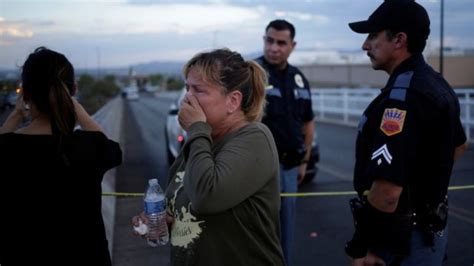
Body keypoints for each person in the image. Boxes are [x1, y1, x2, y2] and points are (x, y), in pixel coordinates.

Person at [132, 48, 285, 266]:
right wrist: (161, 219)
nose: (187, 98)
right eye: (187, 88)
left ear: (233, 101)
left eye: (199, 90)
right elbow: (184, 204)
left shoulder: (254, 138)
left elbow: (207, 196)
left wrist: (196, 128)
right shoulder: (200, 141)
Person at [345, 1, 468, 265]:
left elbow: (388, 191)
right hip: (429, 233)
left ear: (399, 40)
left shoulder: (403, 98)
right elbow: (458, 145)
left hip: (401, 243)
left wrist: (362, 246)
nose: (365, 45)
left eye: (373, 36)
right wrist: (425, 184)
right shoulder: (436, 83)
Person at [0, 47, 122, 265]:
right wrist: (79, 111)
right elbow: (111, 149)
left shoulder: (8, 148)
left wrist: (17, 114)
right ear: (73, 91)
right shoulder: (86, 146)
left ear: (26, 94)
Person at [255, 19, 315, 265]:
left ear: (293, 46)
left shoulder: (299, 78)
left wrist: (304, 161)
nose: (274, 47)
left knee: (285, 231)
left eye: (281, 43)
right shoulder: (251, 73)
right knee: (258, 231)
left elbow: (308, 123)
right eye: (270, 41)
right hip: (257, 169)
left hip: (290, 168)